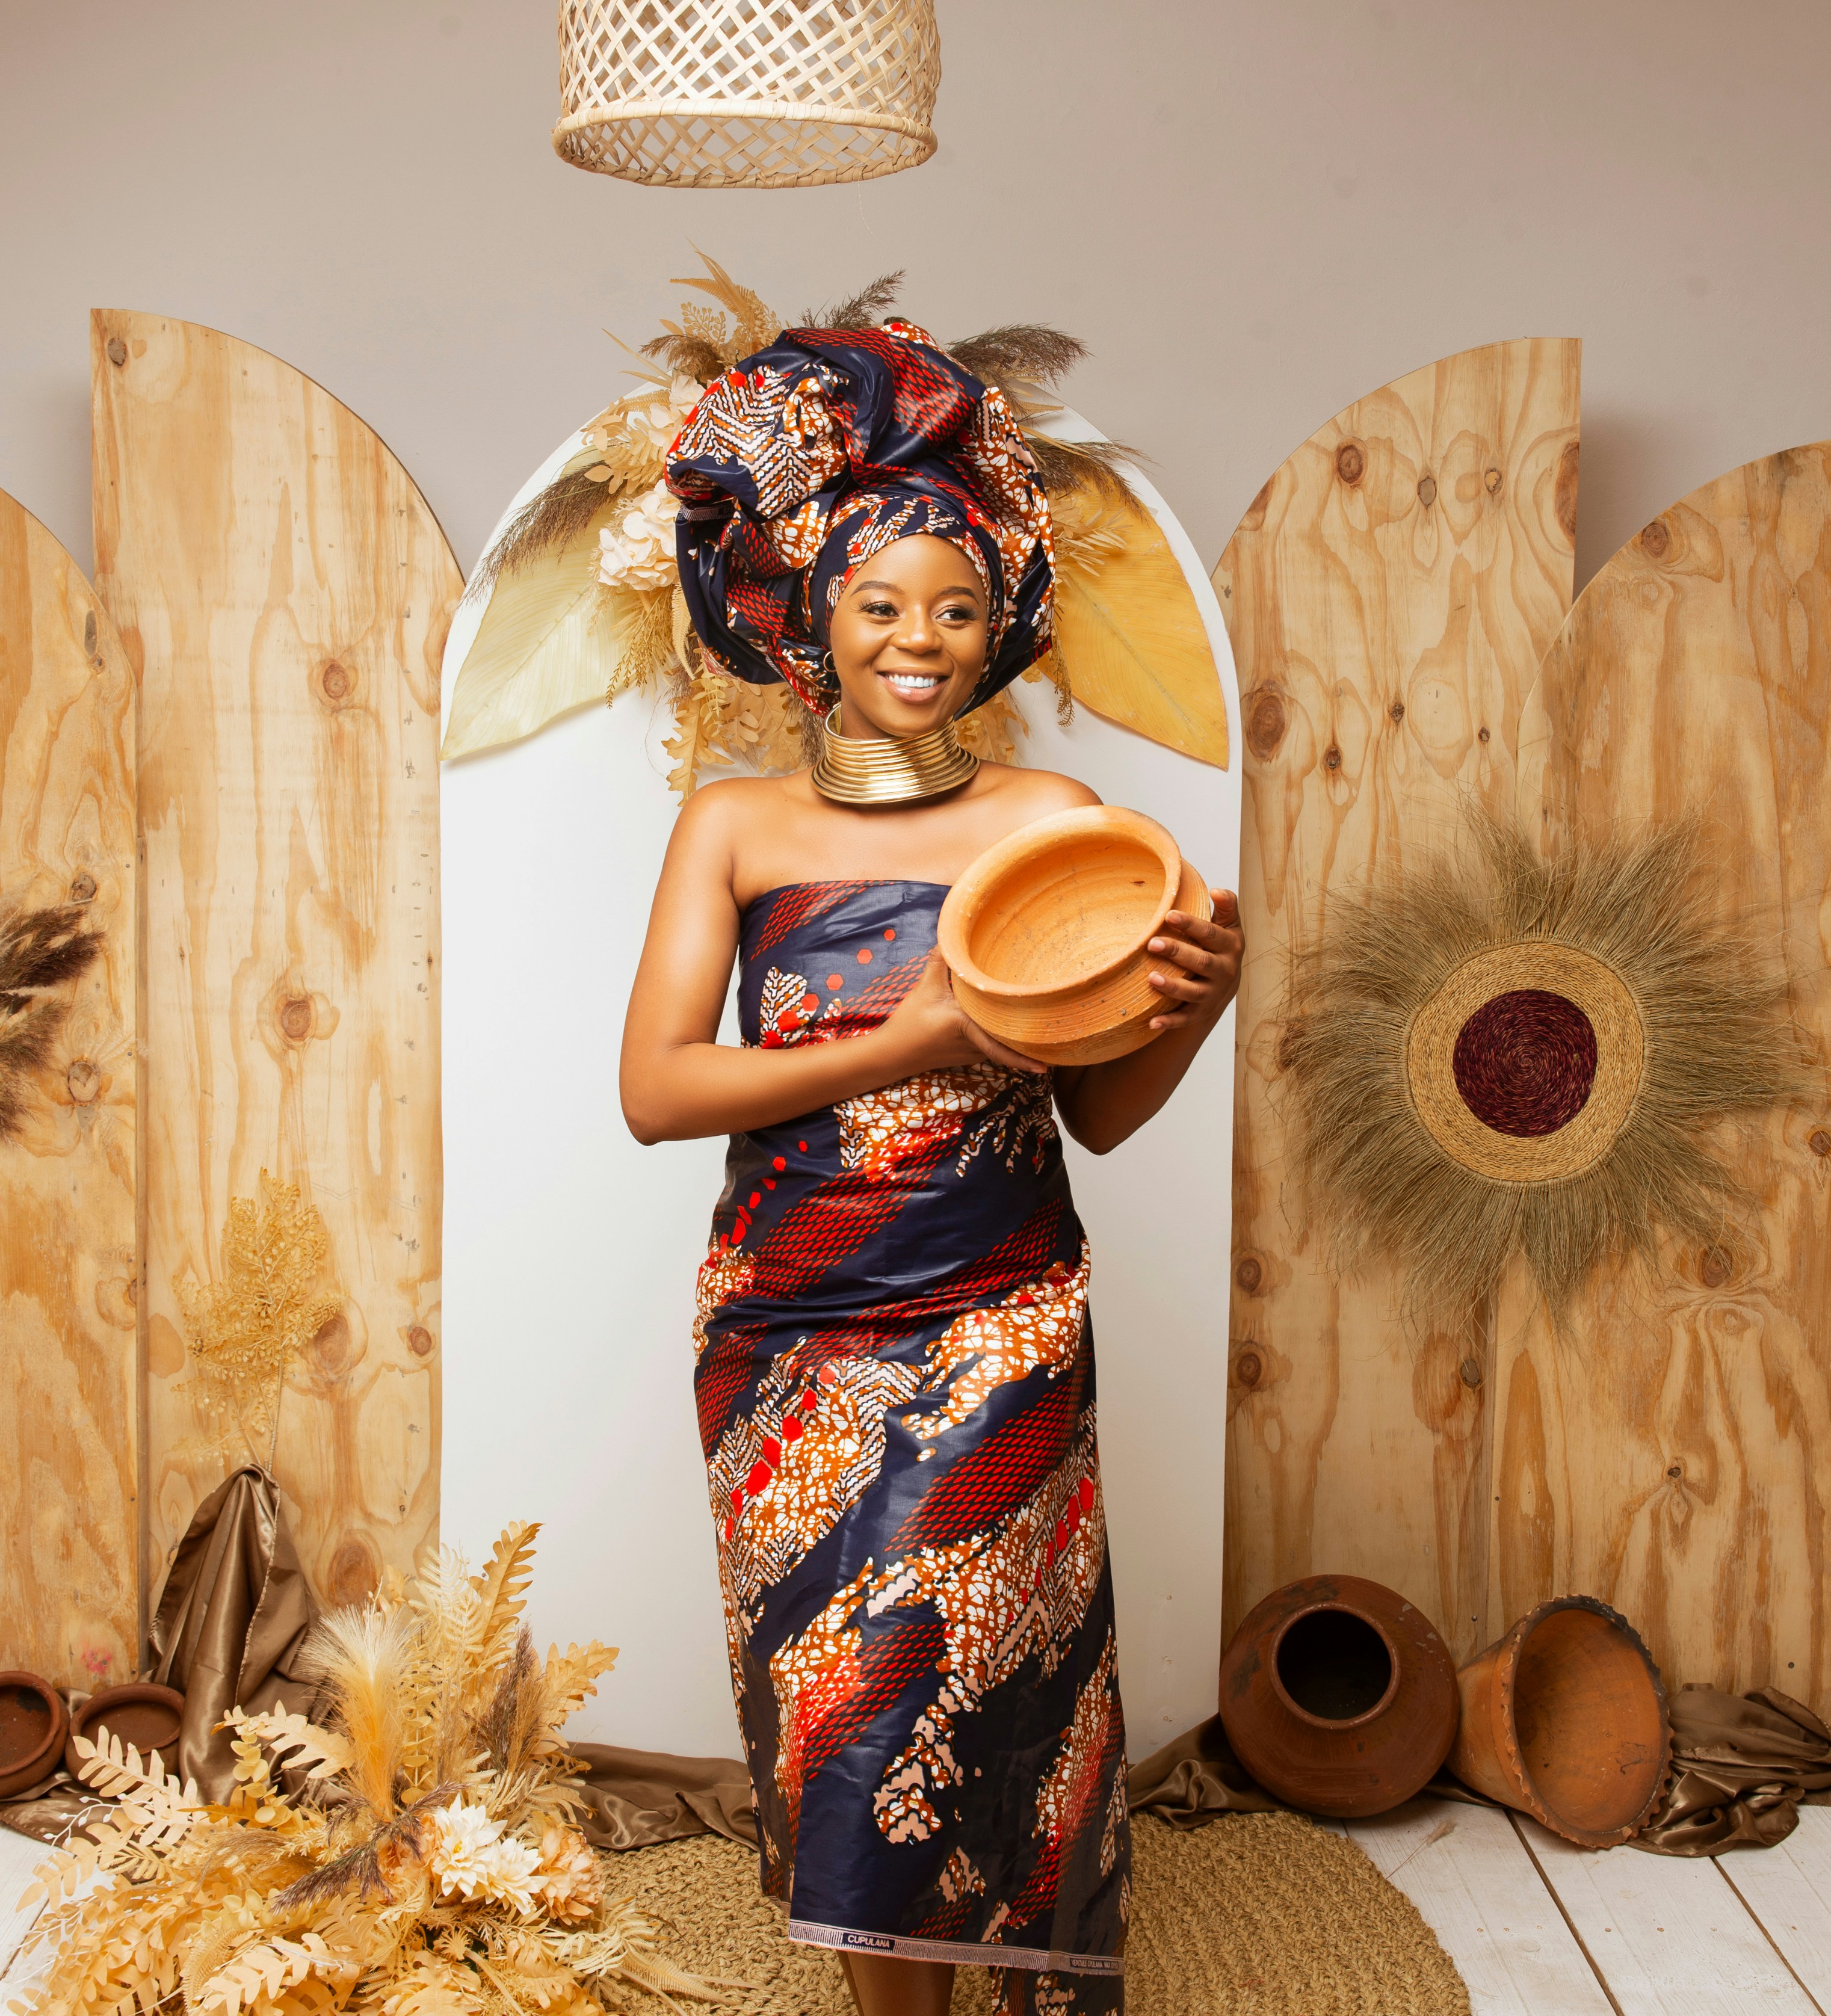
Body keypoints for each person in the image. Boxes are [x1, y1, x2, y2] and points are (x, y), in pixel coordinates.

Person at [620, 321, 1243, 2016]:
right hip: (790, 1327)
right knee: (843, 1702)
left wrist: (1200, 1004)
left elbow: (1099, 1114)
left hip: (1003, 1314)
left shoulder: (1055, 821)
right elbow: (658, 1091)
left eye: (955, 609)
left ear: (997, 636)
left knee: (971, 1687)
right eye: (882, 602)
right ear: (811, 617)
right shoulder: (733, 826)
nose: (919, 636)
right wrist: (918, 1033)